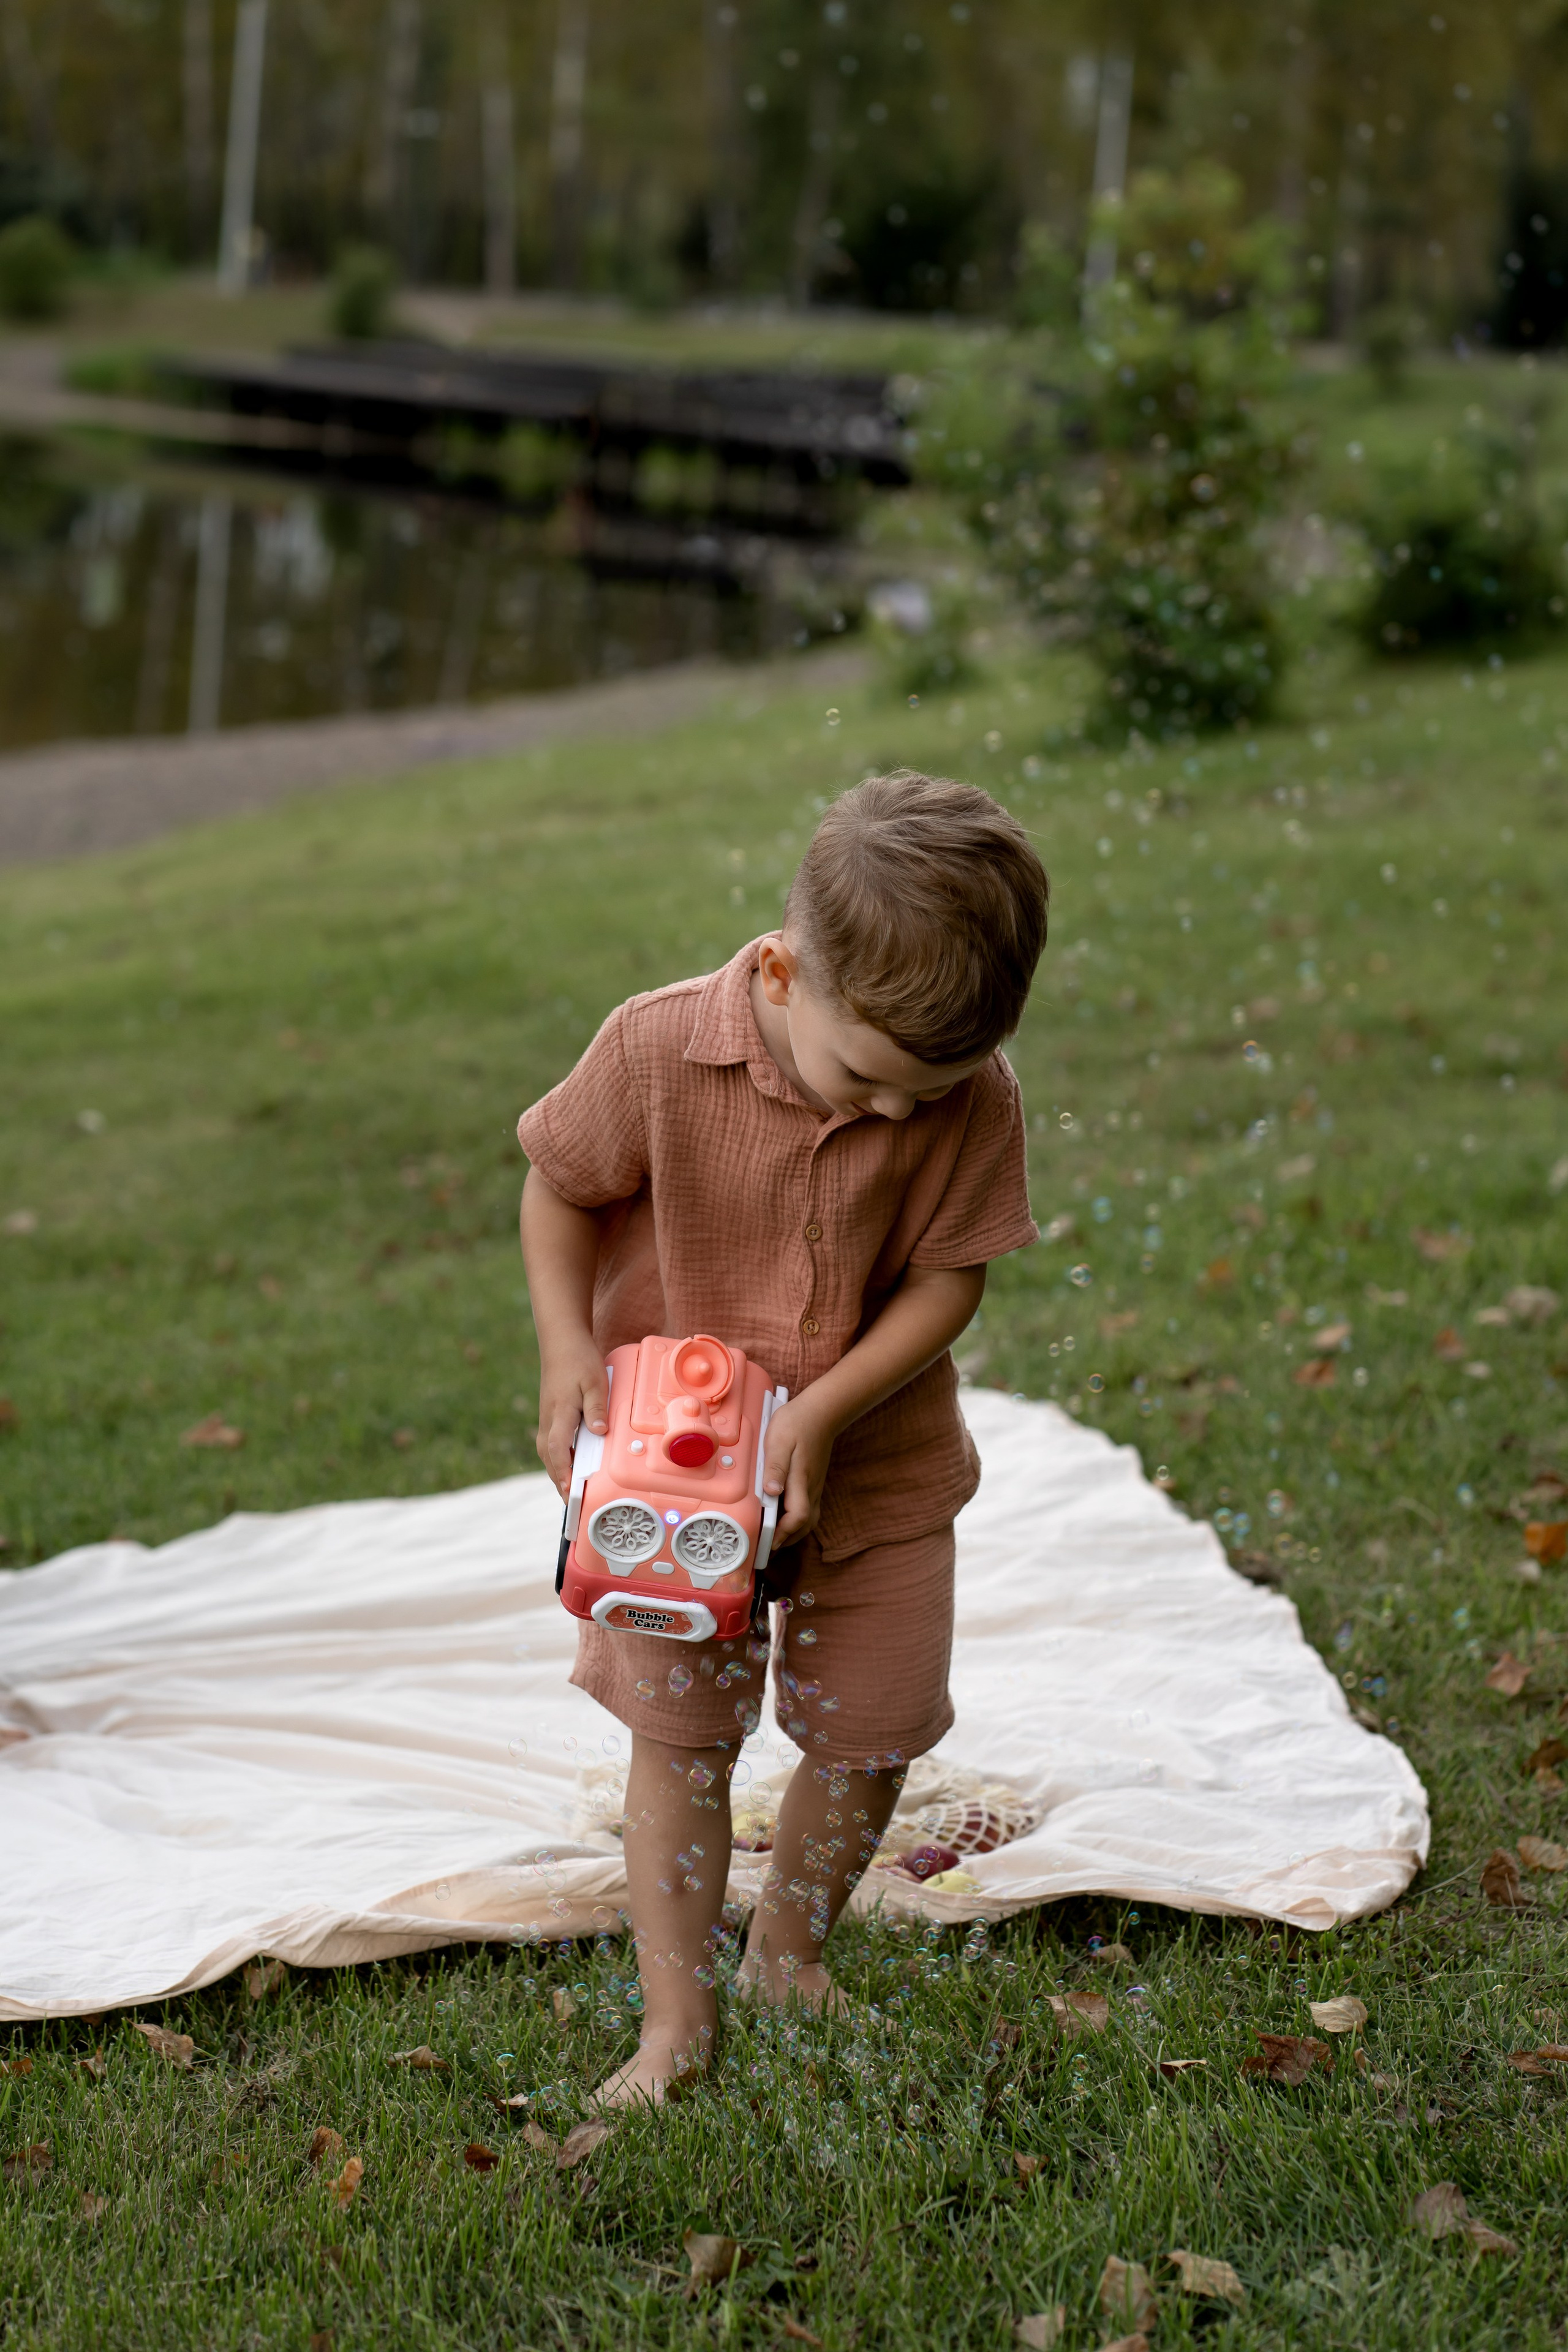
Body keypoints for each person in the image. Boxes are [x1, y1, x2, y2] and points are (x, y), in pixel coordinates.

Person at [517, 769, 1049, 2106]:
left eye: (927, 1095)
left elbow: (949, 1277)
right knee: (679, 1738)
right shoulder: (652, 1049)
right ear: (779, 972)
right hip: (669, 1491)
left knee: (871, 1730)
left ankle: (789, 1950)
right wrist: (566, 1351)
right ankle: (671, 2019)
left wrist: (821, 1410)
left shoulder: (968, 1094)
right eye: (867, 1078)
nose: (894, 1117)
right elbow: (558, 1187)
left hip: (876, 1476)